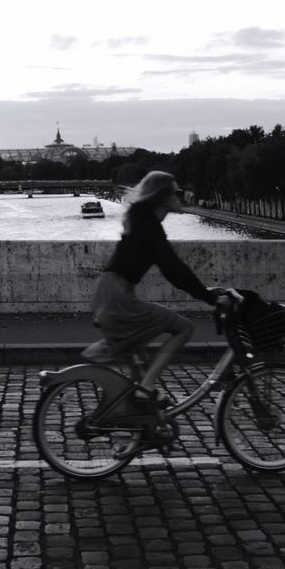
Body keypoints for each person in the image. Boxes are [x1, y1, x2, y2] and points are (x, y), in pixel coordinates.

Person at [82, 171, 232, 406]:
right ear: (163, 196)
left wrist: (204, 291)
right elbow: (173, 268)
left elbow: (173, 269)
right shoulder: (149, 226)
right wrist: (208, 297)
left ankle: (132, 416)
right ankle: (146, 387)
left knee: (137, 354)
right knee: (183, 328)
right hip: (117, 295)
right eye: (176, 192)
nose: (180, 196)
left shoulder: (142, 220)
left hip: (109, 292)